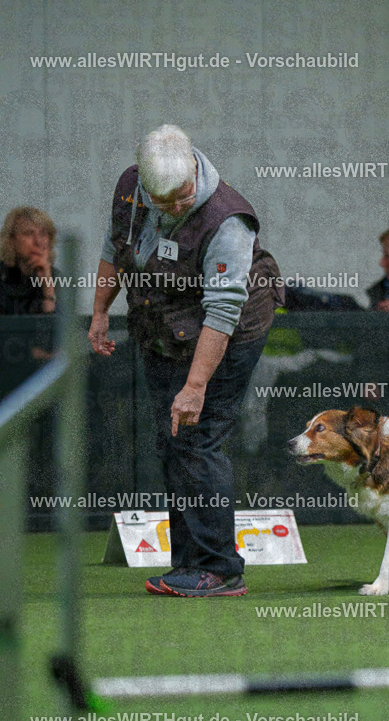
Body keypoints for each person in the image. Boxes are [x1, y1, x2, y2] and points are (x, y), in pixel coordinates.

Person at [88, 124, 283, 598]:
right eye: (164, 201)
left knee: (197, 437)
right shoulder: (132, 189)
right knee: (173, 439)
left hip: (228, 329)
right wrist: (98, 313)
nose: (175, 207)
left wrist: (194, 388)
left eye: (182, 197)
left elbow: (222, 312)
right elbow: (116, 249)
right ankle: (189, 564)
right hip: (165, 324)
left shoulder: (228, 220)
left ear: (195, 167)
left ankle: (219, 569)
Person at [0, 207, 58, 315]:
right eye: (28, 233)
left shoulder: (60, 279)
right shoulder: (3, 275)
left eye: (43, 234)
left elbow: (60, 328)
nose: (38, 241)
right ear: (11, 240)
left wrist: (48, 287)